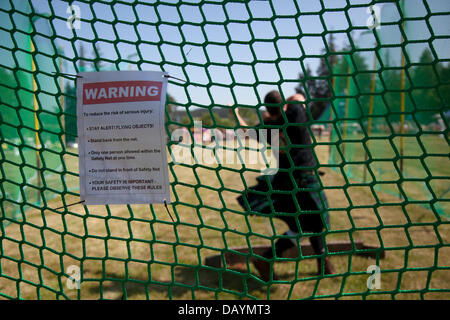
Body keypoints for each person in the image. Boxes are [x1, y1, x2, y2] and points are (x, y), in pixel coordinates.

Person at [232, 90, 335, 282]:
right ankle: (268, 259)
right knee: (313, 223)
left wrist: (236, 114)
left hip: (286, 183)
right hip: (305, 178)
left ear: (268, 109)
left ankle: (323, 264)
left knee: (305, 224)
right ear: (284, 105)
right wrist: (289, 102)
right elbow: (300, 98)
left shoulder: (269, 127)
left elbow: (244, 131)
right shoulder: (294, 114)